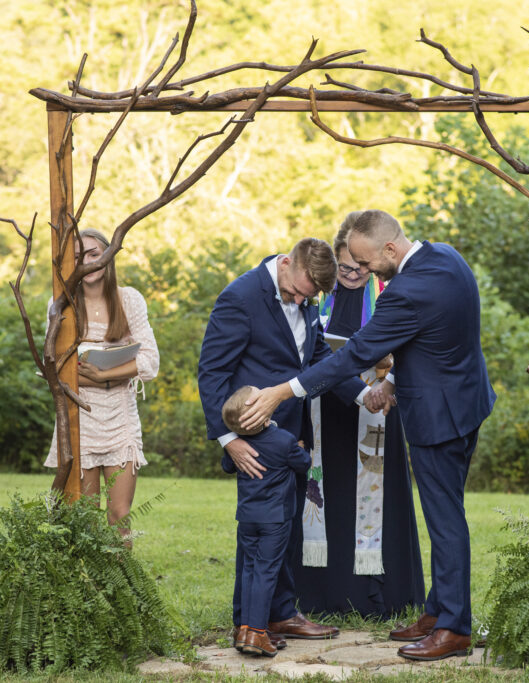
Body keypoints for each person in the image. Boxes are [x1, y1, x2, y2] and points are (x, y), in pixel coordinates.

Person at [240, 210, 497, 662]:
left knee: (445, 522)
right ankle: (438, 611)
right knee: (446, 515)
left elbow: (356, 353)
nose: (363, 271)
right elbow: (435, 342)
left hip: (438, 419)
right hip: (467, 402)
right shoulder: (447, 258)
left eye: (366, 261)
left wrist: (285, 389)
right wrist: (392, 385)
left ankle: (455, 627)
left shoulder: (406, 292)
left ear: (390, 250)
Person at [198, 237, 363, 643]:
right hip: (253, 440)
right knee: (261, 534)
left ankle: (280, 613)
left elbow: (319, 357)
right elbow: (211, 372)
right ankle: (251, 622)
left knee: (285, 531)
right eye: (294, 292)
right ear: (287, 263)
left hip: (292, 436)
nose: (297, 300)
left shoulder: (305, 298)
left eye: (306, 297)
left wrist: (360, 393)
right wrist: (227, 439)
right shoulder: (239, 297)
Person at [292, 213, 426, 617]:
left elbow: (405, 346)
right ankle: (322, 594)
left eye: (358, 267)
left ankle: (380, 596)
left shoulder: (389, 293)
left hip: (378, 408)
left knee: (376, 499)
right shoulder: (316, 297)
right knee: (325, 495)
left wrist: (385, 360)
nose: (351, 274)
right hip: (326, 410)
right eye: (344, 267)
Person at [43, 228, 159, 542]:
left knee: (120, 514)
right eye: (78, 256)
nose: (87, 262)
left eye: (94, 253)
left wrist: (104, 375)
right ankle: (88, 588)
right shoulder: (60, 305)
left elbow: (149, 363)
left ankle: (120, 588)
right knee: (86, 514)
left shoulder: (129, 299)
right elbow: (52, 367)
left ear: (108, 257)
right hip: (78, 417)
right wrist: (106, 373)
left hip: (120, 414)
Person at [219, 387, 311, 657]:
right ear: (259, 416)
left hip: (247, 518)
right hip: (276, 519)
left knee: (248, 570)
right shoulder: (283, 440)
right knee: (266, 572)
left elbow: (227, 466)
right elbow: (303, 463)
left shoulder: (239, 445)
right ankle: (258, 633)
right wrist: (300, 447)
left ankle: (245, 628)